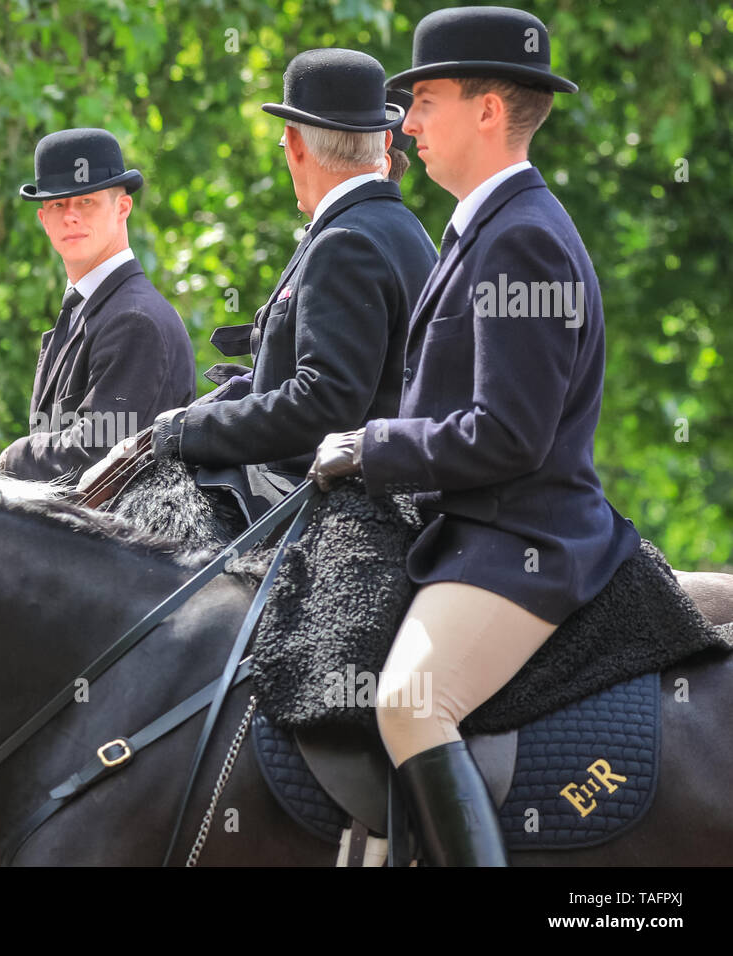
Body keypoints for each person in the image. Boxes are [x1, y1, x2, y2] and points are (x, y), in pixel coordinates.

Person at [308, 6, 641, 866]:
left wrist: (370, 447)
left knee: (411, 702)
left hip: (521, 538)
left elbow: (509, 436)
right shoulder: (481, 230)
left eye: (425, 101)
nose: (406, 122)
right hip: (467, 531)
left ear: (489, 111)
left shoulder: (522, 239)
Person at [80, 50, 437, 522]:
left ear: (294, 143)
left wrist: (180, 430)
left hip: (344, 509)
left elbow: (324, 404)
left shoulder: (346, 241)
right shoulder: (397, 227)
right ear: (385, 138)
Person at [0, 128, 195, 483]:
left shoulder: (135, 319)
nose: (70, 215)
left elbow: (100, 455)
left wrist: (13, 459)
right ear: (44, 220)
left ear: (123, 208)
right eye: (57, 204)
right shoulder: (85, 311)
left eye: (86, 200)